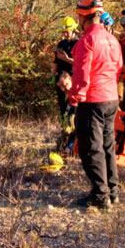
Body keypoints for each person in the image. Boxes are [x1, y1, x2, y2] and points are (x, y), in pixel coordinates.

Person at [60, 0, 123, 209]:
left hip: (92, 100)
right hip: (110, 98)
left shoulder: (87, 41)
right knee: (107, 146)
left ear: (83, 16)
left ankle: (100, 195)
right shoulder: (112, 39)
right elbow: (118, 68)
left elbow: (82, 73)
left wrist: (74, 97)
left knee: (90, 148)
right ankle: (112, 190)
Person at [52, 17, 79, 151]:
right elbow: (55, 62)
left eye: (67, 30)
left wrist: (67, 59)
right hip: (60, 80)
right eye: (63, 31)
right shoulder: (61, 44)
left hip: (72, 81)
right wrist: (53, 77)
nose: (65, 33)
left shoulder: (78, 43)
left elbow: (80, 64)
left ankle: (73, 137)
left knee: (73, 110)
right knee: (63, 110)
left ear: (73, 29)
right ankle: (65, 132)